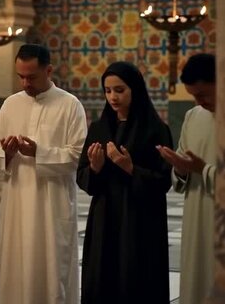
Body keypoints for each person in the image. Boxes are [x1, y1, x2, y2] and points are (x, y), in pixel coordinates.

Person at [0, 44, 87, 304]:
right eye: (20, 76)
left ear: (49, 70)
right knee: (16, 260)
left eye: (31, 77)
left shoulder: (70, 105)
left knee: (52, 266)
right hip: (17, 200)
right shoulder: (11, 104)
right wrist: (7, 153)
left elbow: (78, 155)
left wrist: (39, 153)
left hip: (52, 204)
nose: (25, 83)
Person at [77, 62, 173, 303]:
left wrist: (130, 168)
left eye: (119, 90)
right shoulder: (99, 128)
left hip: (141, 221)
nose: (112, 97)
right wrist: (95, 169)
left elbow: (163, 181)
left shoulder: (156, 130)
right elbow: (82, 177)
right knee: (103, 278)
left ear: (135, 89)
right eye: (108, 91)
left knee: (137, 279)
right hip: (105, 218)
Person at [157, 53, 216, 304]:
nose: (198, 101)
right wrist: (180, 169)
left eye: (203, 93)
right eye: (193, 95)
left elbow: (201, 167)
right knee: (198, 278)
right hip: (196, 215)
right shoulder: (194, 116)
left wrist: (203, 169)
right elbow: (182, 173)